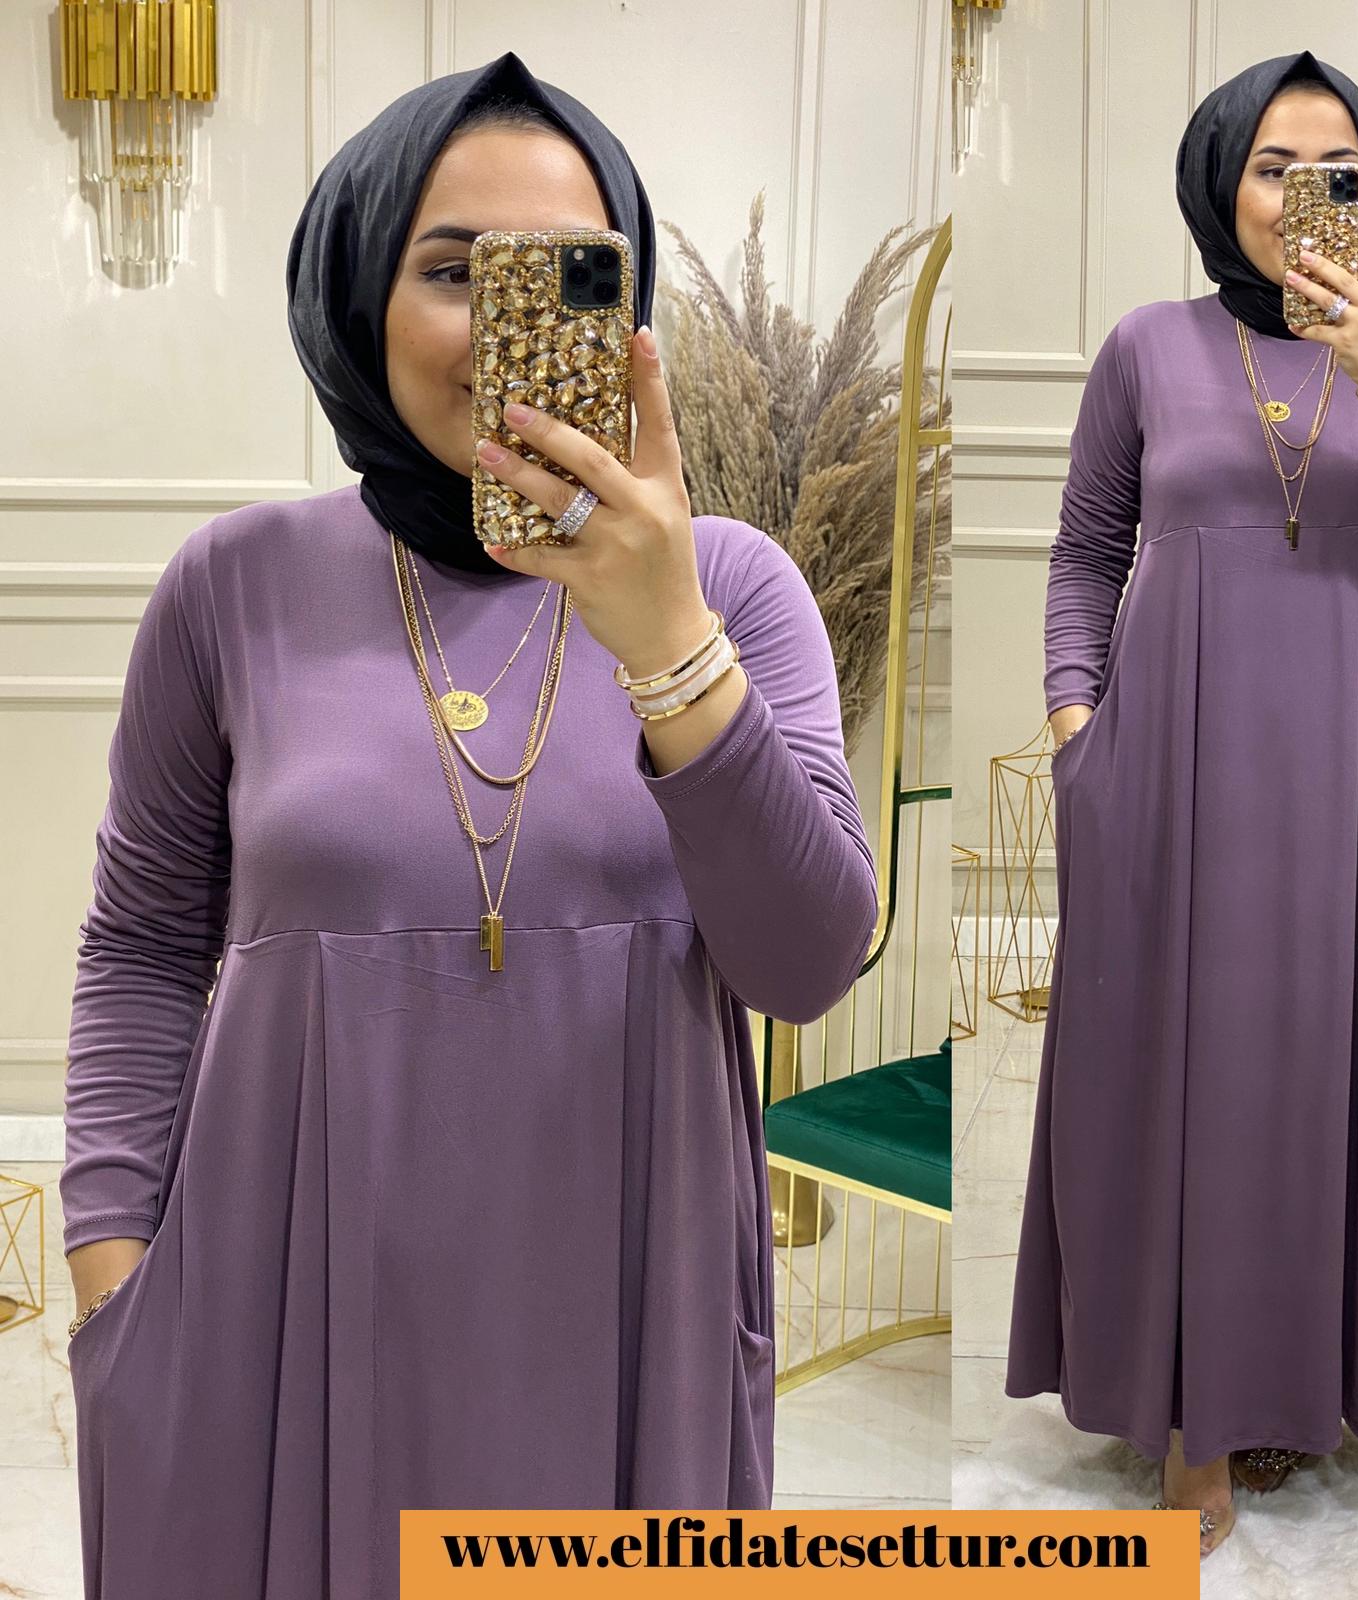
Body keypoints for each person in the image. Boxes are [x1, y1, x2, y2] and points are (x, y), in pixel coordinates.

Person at [59, 51, 878, 1597]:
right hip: (283, 1312)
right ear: (357, 297)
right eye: (454, 271)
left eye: (573, 277)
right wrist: (113, 1272)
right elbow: (144, 949)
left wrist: (668, 642)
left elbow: (809, 962)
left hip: (623, 1320)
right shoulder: (231, 586)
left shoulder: (734, 587)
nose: (510, 328)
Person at [1003, 50, 1358, 1557]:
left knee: (1323, 1067)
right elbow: (1086, 550)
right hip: (1168, 774)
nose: (1300, 194)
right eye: (1273, 165)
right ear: (1223, 179)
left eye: (1334, 170)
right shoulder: (1147, 348)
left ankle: (1297, 1377)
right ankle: (1192, 1417)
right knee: (1182, 1078)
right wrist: (1080, 728)